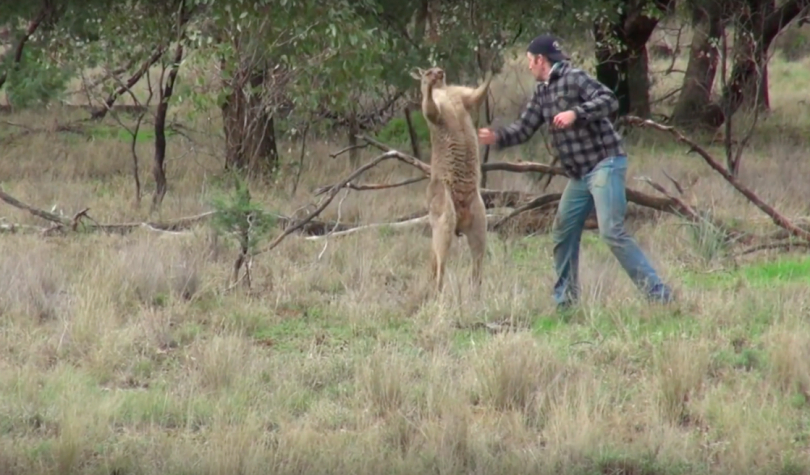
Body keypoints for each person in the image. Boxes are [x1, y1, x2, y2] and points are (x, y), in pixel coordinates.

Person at [478, 34, 674, 309]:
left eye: (529, 61)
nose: (528, 67)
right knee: (563, 232)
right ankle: (566, 303)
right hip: (580, 175)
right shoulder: (542, 93)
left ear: (540, 60)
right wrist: (496, 137)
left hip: (605, 163)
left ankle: (660, 296)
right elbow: (523, 128)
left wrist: (576, 113)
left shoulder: (574, 78)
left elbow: (609, 100)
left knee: (611, 231)